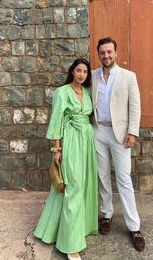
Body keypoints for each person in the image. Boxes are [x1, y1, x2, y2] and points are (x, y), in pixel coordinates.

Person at [34, 58, 98, 260]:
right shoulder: (62, 92)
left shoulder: (87, 92)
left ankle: (73, 229)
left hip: (86, 142)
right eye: (78, 70)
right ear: (72, 72)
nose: (81, 74)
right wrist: (56, 148)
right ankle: (71, 245)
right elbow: (56, 120)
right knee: (73, 186)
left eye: (85, 72)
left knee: (84, 185)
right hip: (70, 141)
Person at [91, 37, 145, 252]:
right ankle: (107, 214)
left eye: (110, 52)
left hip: (121, 134)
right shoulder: (92, 75)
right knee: (102, 176)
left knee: (123, 178)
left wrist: (133, 132)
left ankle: (134, 227)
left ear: (116, 52)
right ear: (98, 54)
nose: (106, 56)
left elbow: (135, 106)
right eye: (102, 52)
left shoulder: (128, 77)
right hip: (98, 132)